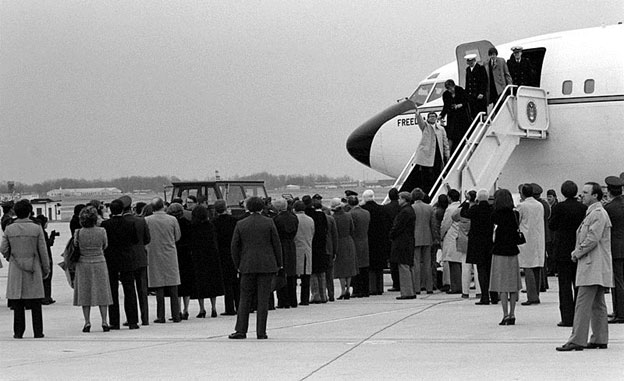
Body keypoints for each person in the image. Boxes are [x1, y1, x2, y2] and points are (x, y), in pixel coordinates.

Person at [556, 182, 614, 351]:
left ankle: (577, 340)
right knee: (597, 304)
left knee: (582, 304)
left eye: (586, 192)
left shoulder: (597, 214)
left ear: (595, 195)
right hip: (596, 265)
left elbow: (592, 239)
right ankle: (599, 338)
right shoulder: (595, 213)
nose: (582, 195)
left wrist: (576, 252)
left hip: (591, 265)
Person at [228, 196, 282, 340]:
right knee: (263, 300)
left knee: (244, 299)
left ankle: (241, 330)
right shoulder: (269, 222)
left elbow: (234, 247)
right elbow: (276, 244)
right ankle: (261, 331)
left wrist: (238, 264)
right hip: (266, 265)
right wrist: (279, 263)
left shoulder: (241, 224)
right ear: (261, 207)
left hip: (247, 265)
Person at [0, 199, 50, 339]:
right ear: (29, 212)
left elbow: (3, 248)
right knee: (35, 302)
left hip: (16, 267)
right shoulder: (36, 228)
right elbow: (43, 251)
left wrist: (10, 256)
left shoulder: (9, 228)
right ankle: (38, 331)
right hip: (33, 267)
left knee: (18, 303)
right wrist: (46, 269)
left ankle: (18, 332)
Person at [549, 180, 587, 327]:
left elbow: (552, 225)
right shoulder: (583, 208)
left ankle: (567, 317)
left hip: (562, 250)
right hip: (579, 249)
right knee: (579, 285)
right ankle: (580, 316)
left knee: (564, 286)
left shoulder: (559, 207)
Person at [72, 206, 113, 333]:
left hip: (83, 263)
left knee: (85, 293)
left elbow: (75, 245)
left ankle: (87, 322)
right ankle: (104, 321)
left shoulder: (78, 232)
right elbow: (105, 245)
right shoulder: (102, 231)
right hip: (99, 262)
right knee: (102, 292)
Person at [101, 199, 140, 330]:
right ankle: (133, 320)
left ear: (111, 210)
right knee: (129, 290)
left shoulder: (105, 225)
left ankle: (114, 321)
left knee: (112, 290)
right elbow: (135, 240)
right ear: (122, 210)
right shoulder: (130, 223)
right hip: (127, 259)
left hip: (111, 259)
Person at [145, 197, 181, 324]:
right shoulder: (172, 219)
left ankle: (161, 316)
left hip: (154, 254)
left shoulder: (147, 220)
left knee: (158, 286)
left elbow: (145, 238)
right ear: (163, 206)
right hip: (170, 253)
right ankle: (176, 314)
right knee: (173, 286)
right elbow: (177, 236)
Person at [490, 189, 522, 325]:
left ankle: (505, 314)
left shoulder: (494, 215)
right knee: (513, 284)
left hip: (499, 251)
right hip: (512, 251)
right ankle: (513, 313)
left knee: (502, 284)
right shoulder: (515, 214)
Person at [462, 189, 497, 305]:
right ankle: (494, 296)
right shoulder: (492, 209)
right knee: (490, 270)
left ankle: (485, 297)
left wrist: (467, 201)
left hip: (477, 243)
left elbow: (463, 213)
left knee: (481, 270)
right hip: (489, 242)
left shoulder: (474, 209)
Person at [120, 195, 151, 326]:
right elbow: (147, 239)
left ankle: (132, 318)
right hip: (140, 257)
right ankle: (145, 318)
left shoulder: (121, 222)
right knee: (142, 290)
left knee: (129, 291)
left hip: (126, 259)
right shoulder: (141, 221)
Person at [189, 205, 224, 318]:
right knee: (212, 282)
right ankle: (213, 308)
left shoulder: (193, 227)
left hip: (198, 257)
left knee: (200, 284)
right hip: (211, 256)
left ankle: (202, 309)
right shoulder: (210, 226)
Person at [517, 183, 545, 305]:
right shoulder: (539, 205)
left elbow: (517, 220)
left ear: (522, 193)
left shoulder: (521, 206)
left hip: (526, 239)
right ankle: (536, 293)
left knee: (528, 266)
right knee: (537, 266)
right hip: (538, 238)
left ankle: (532, 296)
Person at [412, 110, 450, 194]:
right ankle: (426, 191)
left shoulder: (441, 129)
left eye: (434, 116)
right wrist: (417, 114)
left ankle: (434, 190)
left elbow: (445, 142)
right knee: (426, 175)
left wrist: (447, 155)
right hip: (427, 154)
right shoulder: (425, 126)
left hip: (437, 154)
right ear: (428, 118)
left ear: (436, 118)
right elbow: (420, 121)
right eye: (430, 116)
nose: (432, 118)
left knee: (436, 173)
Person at [212, 200, 240, 315]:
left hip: (222, 254)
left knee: (227, 282)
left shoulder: (214, 222)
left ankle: (229, 308)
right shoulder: (234, 221)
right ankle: (239, 306)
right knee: (236, 281)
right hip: (234, 251)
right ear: (226, 208)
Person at [603, 176, 624, 324]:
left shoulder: (609, 208)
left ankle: (620, 313)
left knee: (617, 282)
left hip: (616, 248)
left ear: (609, 191)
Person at [167, 203, 193, 320]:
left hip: (175, 254)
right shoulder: (188, 223)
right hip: (187, 254)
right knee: (187, 283)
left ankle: (176, 310)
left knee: (176, 283)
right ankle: (186, 309)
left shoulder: (171, 223)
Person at [361, 190, 390, 296]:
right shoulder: (381, 209)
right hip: (380, 240)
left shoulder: (364, 210)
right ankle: (379, 288)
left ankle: (372, 288)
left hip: (369, 240)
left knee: (371, 267)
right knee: (379, 267)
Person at [273, 198, 299, 308]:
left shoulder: (276, 219)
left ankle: (283, 300)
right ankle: (293, 299)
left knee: (281, 273)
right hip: (291, 245)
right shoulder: (294, 217)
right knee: (292, 273)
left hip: (281, 245)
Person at [390, 192, 417, 300]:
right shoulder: (410, 210)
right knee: (408, 266)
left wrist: (391, 234)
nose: (398, 201)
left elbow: (398, 227)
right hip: (408, 240)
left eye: (400, 199)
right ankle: (411, 290)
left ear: (405, 199)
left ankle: (406, 292)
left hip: (402, 242)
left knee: (403, 267)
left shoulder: (404, 212)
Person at [331, 198, 358, 300]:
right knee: (349, 267)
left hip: (339, 242)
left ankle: (343, 290)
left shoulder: (333, 218)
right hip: (349, 241)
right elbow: (352, 229)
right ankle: (348, 289)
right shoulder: (348, 215)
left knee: (340, 268)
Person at [411, 188, 435, 294]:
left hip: (415, 237)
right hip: (427, 236)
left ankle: (417, 288)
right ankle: (429, 287)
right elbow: (433, 224)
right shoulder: (429, 208)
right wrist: (434, 237)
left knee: (416, 263)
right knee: (427, 263)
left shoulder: (412, 208)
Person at [440, 79, 472, 153]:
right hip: (452, 117)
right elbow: (446, 106)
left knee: (463, 133)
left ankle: (463, 150)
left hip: (462, 116)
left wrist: (460, 105)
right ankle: (449, 155)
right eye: (448, 89)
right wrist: (441, 115)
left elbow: (467, 100)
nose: (450, 90)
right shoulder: (445, 94)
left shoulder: (460, 90)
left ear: (454, 86)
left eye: (451, 88)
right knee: (450, 135)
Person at [307, 199, 329, 304]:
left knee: (314, 272)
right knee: (322, 272)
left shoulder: (310, 217)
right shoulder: (323, 216)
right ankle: (323, 294)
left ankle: (316, 295)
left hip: (313, 245)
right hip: (322, 246)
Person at [348, 195, 371, 298]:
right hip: (365, 241)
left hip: (355, 242)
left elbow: (351, 229)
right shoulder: (366, 213)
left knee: (356, 267)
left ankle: (357, 290)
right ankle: (366, 290)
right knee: (365, 267)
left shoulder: (351, 214)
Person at [441, 189, 463, 294]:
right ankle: (459, 285)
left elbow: (445, 224)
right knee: (458, 262)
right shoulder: (461, 206)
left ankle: (455, 287)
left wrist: (441, 236)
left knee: (453, 263)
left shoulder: (450, 209)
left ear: (449, 197)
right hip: (460, 236)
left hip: (451, 237)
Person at [293, 200, 314, 306]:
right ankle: (305, 299)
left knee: (293, 276)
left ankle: (293, 299)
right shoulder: (310, 220)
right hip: (308, 248)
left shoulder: (294, 219)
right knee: (306, 276)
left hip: (296, 249)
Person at [34, 215, 58, 305]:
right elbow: (48, 244)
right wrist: (52, 237)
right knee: (47, 277)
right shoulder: (42, 233)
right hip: (46, 256)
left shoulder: (38, 232)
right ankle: (46, 297)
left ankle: (42, 297)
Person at [383, 188, 401, 291]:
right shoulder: (401, 207)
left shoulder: (386, 208)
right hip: (401, 237)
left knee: (393, 262)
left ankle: (396, 283)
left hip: (390, 238)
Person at [464, 53, 488, 117]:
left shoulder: (481, 68)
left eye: (471, 61)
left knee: (480, 111)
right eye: (469, 61)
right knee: (473, 112)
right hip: (471, 95)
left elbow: (484, 81)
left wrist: (482, 92)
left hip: (479, 94)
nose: (470, 63)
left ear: (474, 60)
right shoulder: (468, 70)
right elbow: (467, 83)